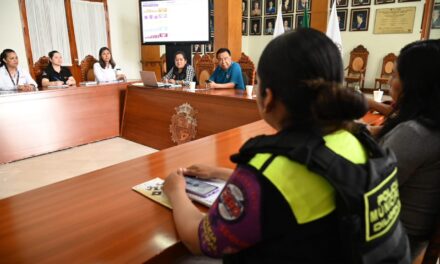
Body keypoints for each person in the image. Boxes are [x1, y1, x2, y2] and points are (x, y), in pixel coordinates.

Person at [163, 28, 409, 263]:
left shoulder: (266, 169)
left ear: (267, 97)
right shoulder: (356, 137)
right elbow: (300, 184)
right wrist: (219, 173)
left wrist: (175, 189)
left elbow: (201, 240)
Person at [376, 39, 440, 261]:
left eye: (395, 75)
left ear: (414, 83)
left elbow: (365, 187)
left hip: (393, 241)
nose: (389, 80)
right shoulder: (429, 123)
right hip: (405, 234)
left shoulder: (415, 134)